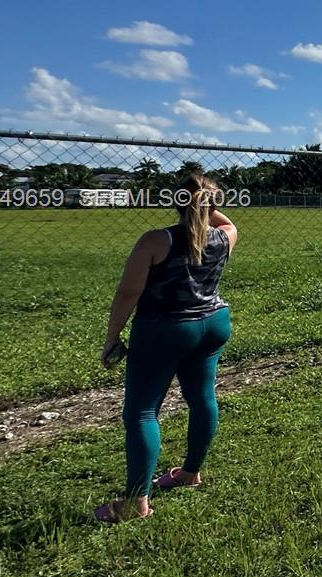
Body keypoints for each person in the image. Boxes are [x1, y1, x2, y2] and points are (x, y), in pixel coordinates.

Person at [94, 173, 237, 524]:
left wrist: (113, 336)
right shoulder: (225, 235)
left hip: (164, 331)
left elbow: (128, 293)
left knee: (142, 413)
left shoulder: (155, 240)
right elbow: (223, 219)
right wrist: (207, 205)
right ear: (214, 205)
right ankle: (190, 473)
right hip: (213, 324)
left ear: (177, 202)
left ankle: (135, 502)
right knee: (202, 399)